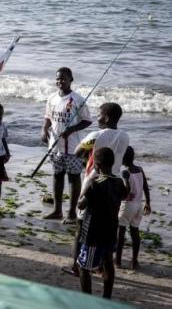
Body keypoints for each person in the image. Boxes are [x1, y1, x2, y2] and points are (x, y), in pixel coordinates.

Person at [65, 102, 129, 276]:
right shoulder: (125, 136)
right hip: (114, 182)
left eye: (99, 114)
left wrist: (89, 155)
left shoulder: (96, 135)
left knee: (82, 225)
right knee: (107, 222)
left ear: (106, 117)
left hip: (94, 180)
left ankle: (77, 266)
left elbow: (77, 151)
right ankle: (102, 264)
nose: (97, 117)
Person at [41, 67, 92, 221]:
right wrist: (44, 129)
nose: (60, 81)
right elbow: (48, 117)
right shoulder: (52, 98)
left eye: (63, 78)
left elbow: (87, 121)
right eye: (58, 79)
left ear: (71, 79)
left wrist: (72, 129)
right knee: (57, 176)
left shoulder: (77, 99)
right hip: (55, 145)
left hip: (73, 147)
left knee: (73, 177)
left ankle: (71, 212)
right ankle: (57, 210)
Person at [76, 148, 127, 299]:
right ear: (112, 163)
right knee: (108, 263)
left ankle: (88, 300)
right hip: (111, 230)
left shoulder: (94, 184)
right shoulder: (118, 182)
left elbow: (81, 205)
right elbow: (125, 195)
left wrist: (85, 187)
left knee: (84, 267)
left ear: (96, 165)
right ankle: (107, 298)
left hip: (93, 233)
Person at [116, 146, 151, 269]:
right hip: (139, 205)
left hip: (128, 206)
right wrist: (148, 203)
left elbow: (127, 188)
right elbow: (145, 187)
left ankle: (118, 261)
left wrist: (123, 195)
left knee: (121, 234)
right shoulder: (139, 169)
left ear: (122, 159)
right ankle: (134, 261)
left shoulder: (125, 171)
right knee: (135, 233)